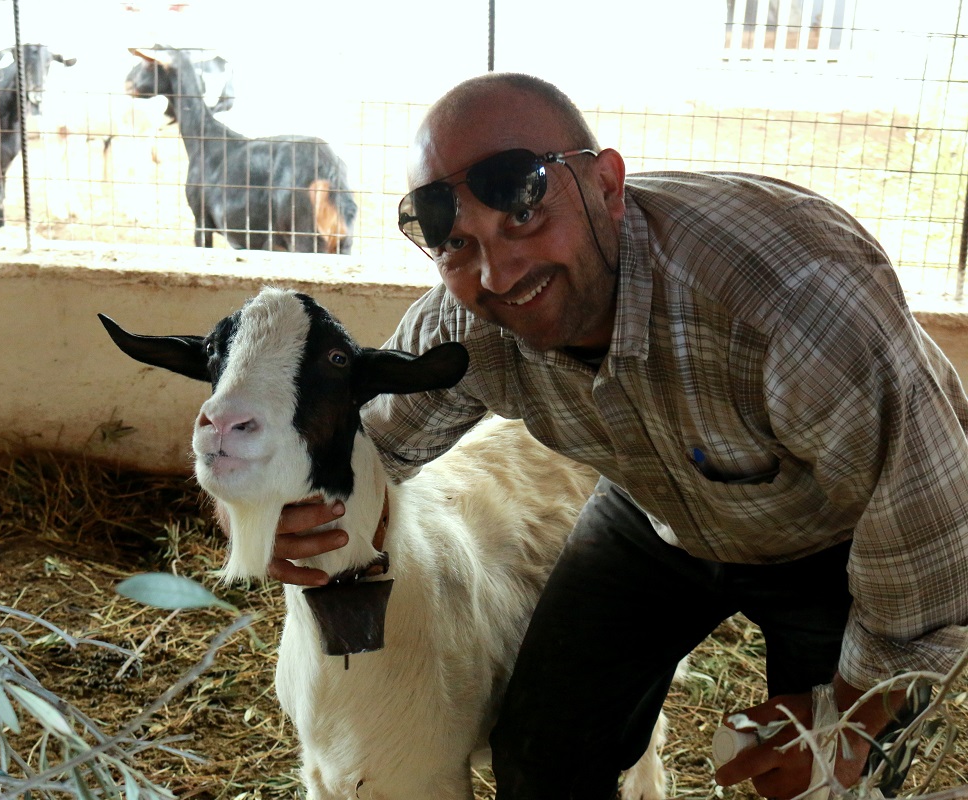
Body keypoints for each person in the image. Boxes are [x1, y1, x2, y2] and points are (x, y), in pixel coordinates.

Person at [266, 71, 968, 800]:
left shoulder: (793, 297)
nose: (498, 272)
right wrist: (281, 512)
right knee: (543, 764)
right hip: (654, 512)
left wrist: (850, 717)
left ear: (607, 185)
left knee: (827, 781)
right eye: (456, 243)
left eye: (525, 213)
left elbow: (930, 520)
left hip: (835, 539)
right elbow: (363, 455)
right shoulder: (467, 321)